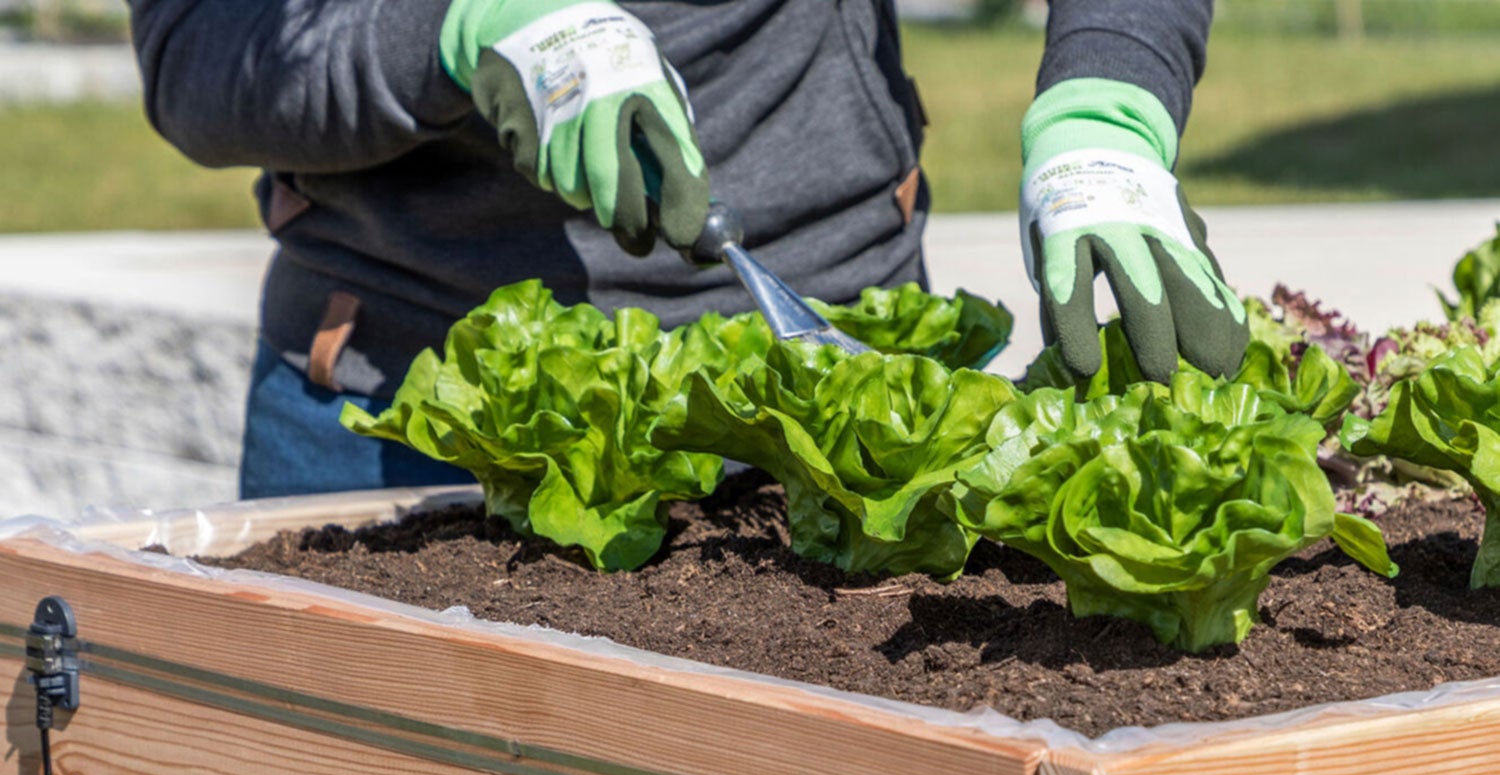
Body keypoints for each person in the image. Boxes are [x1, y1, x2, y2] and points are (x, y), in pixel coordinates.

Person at [128, 0, 1246, 500]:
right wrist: (456, 31)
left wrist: (1108, 101)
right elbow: (200, 47)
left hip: (833, 410)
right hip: (406, 411)